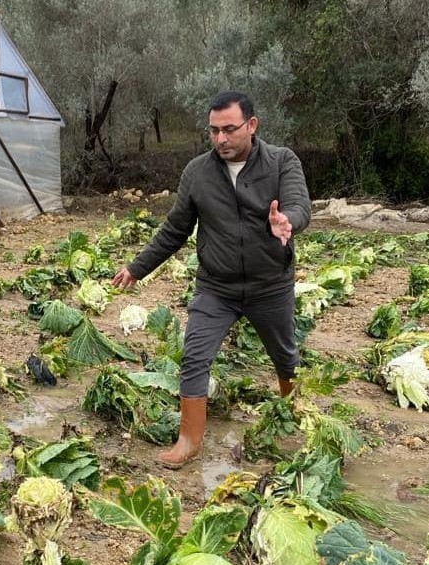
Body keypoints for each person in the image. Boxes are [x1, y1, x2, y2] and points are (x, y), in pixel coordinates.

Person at [112, 90, 311, 469]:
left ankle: (296, 418)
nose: (221, 139)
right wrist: (138, 268)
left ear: (251, 126)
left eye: (230, 129)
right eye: (213, 131)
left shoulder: (282, 162)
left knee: (286, 358)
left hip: (270, 286)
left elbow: (298, 204)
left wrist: (288, 222)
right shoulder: (198, 173)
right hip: (216, 288)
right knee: (195, 357)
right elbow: (175, 229)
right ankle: (189, 440)